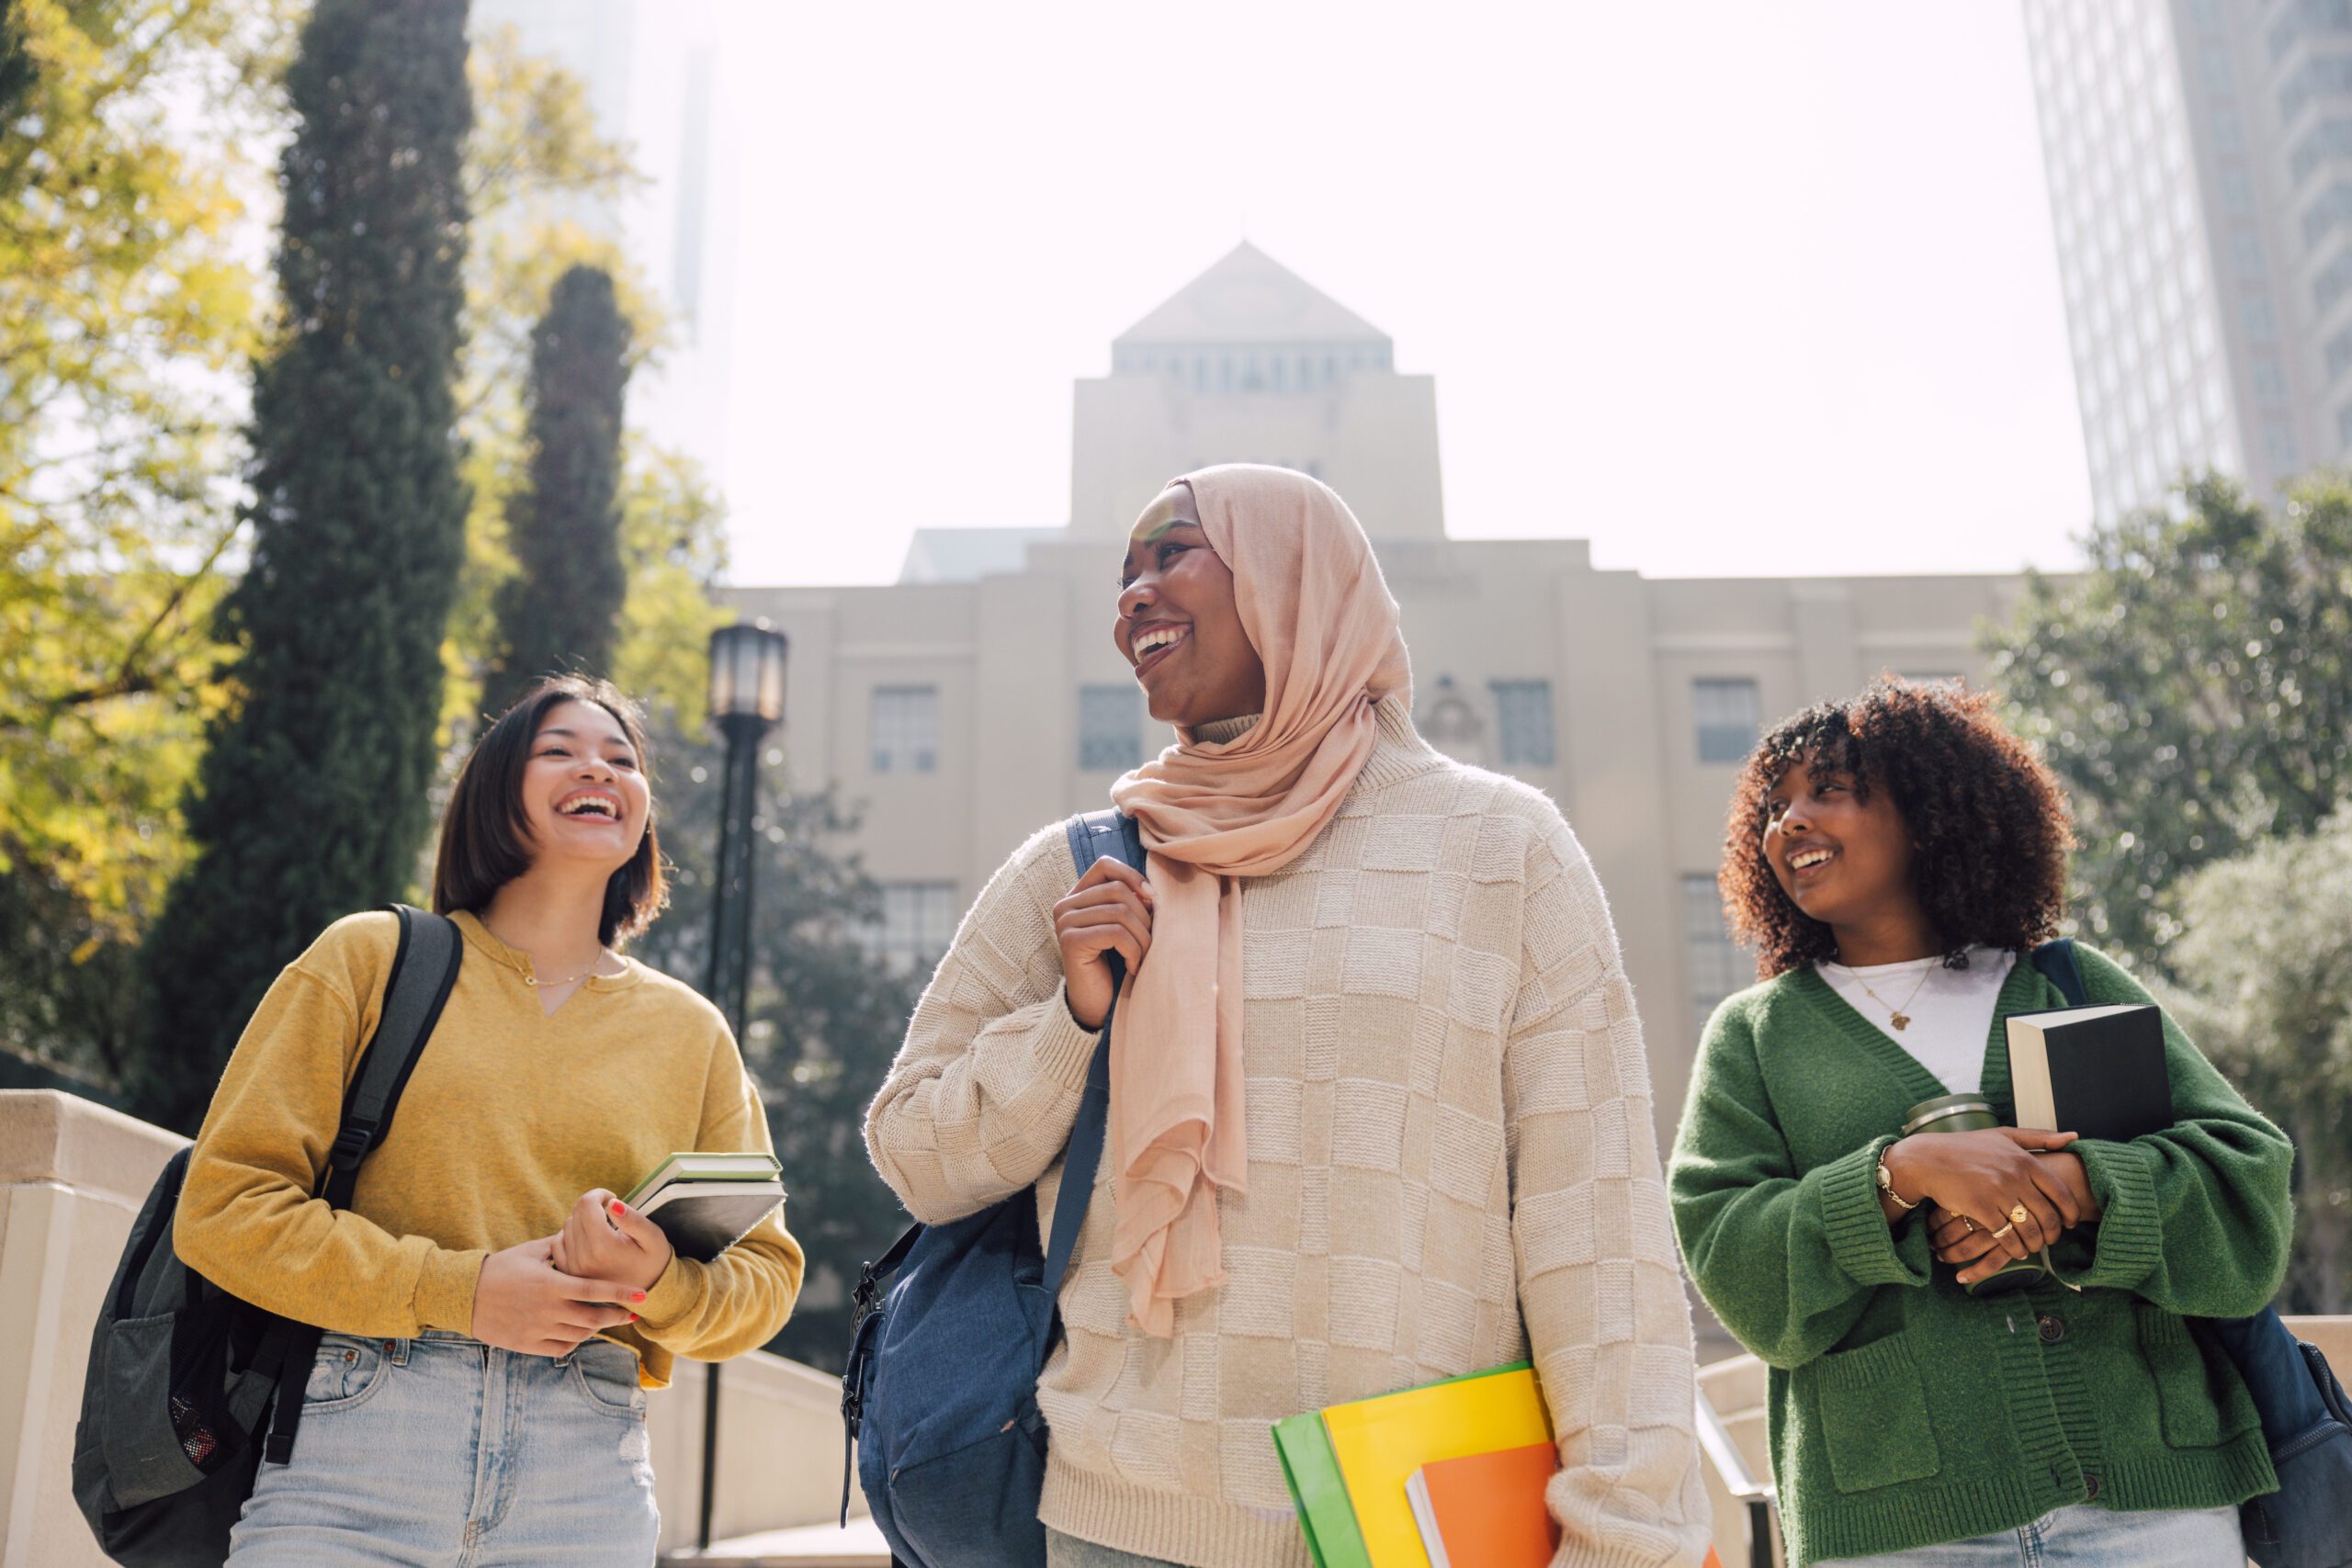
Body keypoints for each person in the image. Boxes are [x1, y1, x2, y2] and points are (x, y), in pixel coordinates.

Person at [865, 465, 1711, 1568]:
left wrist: (1626, 1534)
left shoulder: (1502, 850)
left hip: (1416, 1524)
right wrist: (1071, 1022)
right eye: (1123, 573)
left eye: (1173, 552)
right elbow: (916, 1155)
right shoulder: (1077, 872)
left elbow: (1593, 1224)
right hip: (1118, 1523)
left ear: (1293, 577)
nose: (1132, 595)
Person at [174, 674, 804, 1566]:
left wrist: (655, 1281)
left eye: (622, 759)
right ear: (495, 792)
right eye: (560, 750)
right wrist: (460, 1290)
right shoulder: (368, 959)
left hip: (584, 1484)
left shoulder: (690, 1033)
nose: (600, 768)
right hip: (354, 1459)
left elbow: (767, 1278)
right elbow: (223, 1211)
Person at [1668, 679, 2292, 1568]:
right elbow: (1734, 1260)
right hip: (1899, 1524)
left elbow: (2248, 1187)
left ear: (1927, 813)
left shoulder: (2067, 981)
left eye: (1829, 790)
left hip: (2150, 1503)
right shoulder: (1756, 1037)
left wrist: (2078, 1189)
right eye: (1773, 807)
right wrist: (1897, 1177)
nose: (1790, 821)